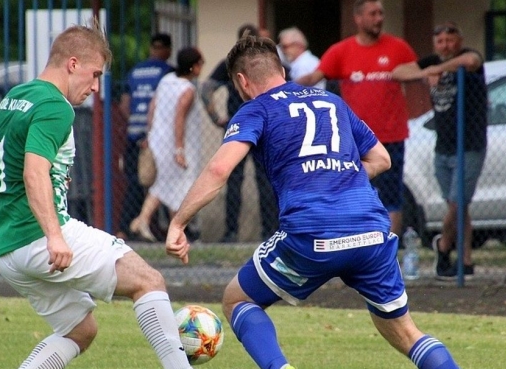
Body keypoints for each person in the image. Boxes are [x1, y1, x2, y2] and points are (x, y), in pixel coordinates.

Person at [165, 34, 506, 369]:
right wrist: (340, 178)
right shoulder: (332, 102)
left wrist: (178, 222)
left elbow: (219, 169)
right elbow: (380, 158)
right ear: (280, 69)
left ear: (242, 81)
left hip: (312, 235)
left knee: (237, 299)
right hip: (370, 232)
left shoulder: (256, 109)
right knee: (406, 332)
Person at [0, 23, 242, 369]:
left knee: (80, 329)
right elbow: (33, 172)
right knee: (148, 280)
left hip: (7, 248)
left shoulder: (17, 96)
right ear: (72, 64)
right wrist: (54, 235)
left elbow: (22, 163)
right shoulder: (55, 106)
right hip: (39, 236)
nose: (94, 87)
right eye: (94, 75)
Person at [297, 0, 417, 238]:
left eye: (381, 13)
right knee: (355, 192)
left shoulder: (398, 48)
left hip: (391, 136)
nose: (379, 18)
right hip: (355, 139)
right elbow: (313, 78)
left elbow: (417, 71)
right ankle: (360, 246)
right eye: (373, 14)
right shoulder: (341, 51)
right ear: (358, 18)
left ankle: (388, 248)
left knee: (392, 197)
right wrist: (279, 89)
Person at [392, 22, 486, 280]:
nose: (446, 46)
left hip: (469, 145)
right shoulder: (432, 62)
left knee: (457, 202)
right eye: (441, 42)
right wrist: (426, 72)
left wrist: (438, 70)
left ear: (459, 41)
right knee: (458, 207)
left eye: (450, 40)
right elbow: (399, 72)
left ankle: (443, 245)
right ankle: (465, 261)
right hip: (442, 146)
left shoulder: (469, 59)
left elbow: (471, 61)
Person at [201, 23, 278, 243]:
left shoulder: (231, 63)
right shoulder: (268, 64)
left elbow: (206, 89)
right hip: (265, 125)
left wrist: (216, 118)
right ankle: (269, 231)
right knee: (266, 180)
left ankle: (231, 232)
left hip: (238, 124)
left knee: (233, 179)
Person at [129, 47, 205, 243]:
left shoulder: (166, 80)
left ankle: (150, 222)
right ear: (193, 66)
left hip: (159, 141)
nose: (202, 67)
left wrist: (150, 133)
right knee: (175, 186)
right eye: (200, 64)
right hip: (176, 145)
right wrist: (179, 149)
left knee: (167, 185)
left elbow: (152, 107)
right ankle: (159, 225)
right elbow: (179, 118)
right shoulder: (187, 90)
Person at [117, 33, 174, 240]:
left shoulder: (135, 71)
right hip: (157, 138)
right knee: (166, 182)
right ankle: (170, 228)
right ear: (167, 50)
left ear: (151, 48)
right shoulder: (168, 72)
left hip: (134, 135)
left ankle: (125, 229)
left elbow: (124, 104)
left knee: (134, 183)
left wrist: (135, 122)